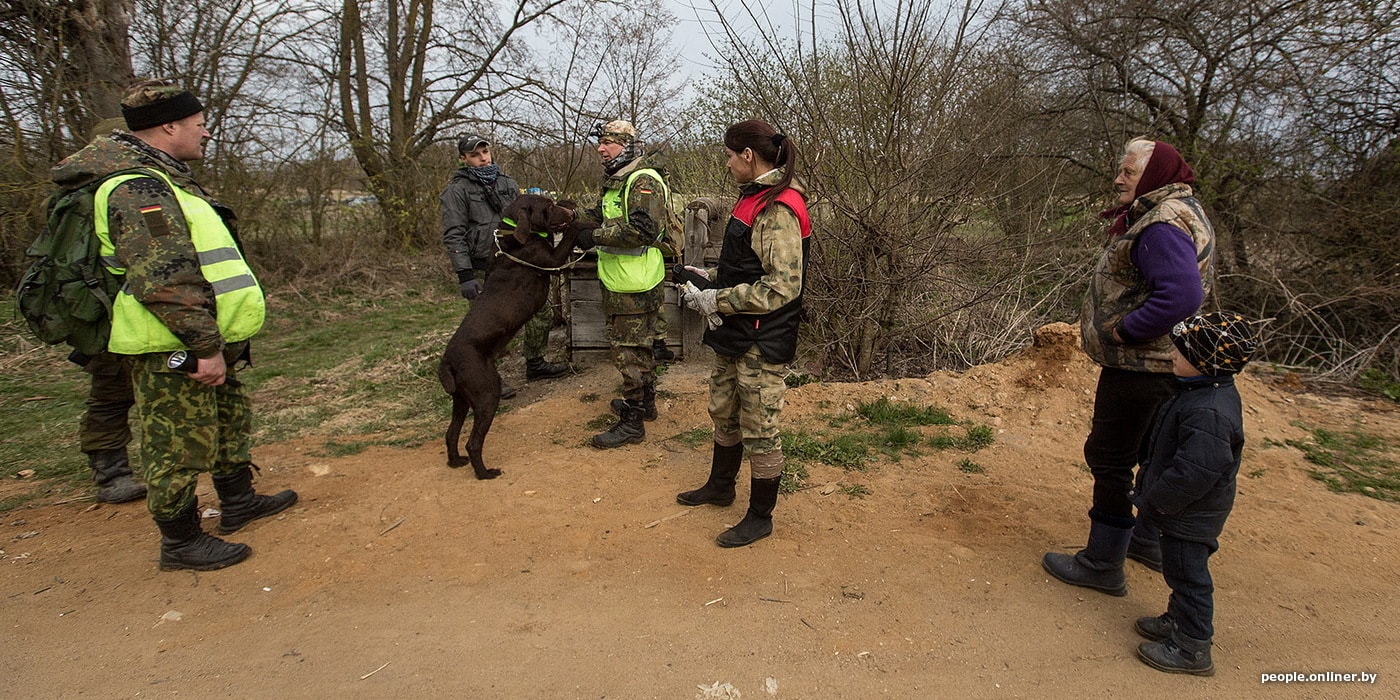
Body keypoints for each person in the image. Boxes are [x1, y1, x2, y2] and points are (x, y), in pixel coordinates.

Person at [52, 79, 297, 571]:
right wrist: (203, 344)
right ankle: (181, 541)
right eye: (200, 125)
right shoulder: (137, 187)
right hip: (171, 341)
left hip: (206, 334)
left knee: (228, 417)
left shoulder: (167, 178)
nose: (206, 134)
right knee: (177, 441)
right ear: (169, 125)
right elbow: (164, 276)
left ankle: (238, 501)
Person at [1043, 138, 1217, 594]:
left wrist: (1125, 331)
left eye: (1129, 172)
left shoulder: (1160, 226)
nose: (1118, 179)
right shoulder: (1183, 210)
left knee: (1110, 456)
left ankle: (1102, 563)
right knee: (1150, 454)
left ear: (1155, 174)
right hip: (1167, 364)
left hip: (1140, 366)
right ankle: (1147, 542)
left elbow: (1181, 295)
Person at [673, 119, 811, 548]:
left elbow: (783, 286)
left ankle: (759, 516)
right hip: (737, 333)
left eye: (731, 156)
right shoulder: (752, 198)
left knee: (759, 426)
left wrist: (718, 300)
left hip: (761, 338)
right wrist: (710, 277)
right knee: (723, 410)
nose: (728, 163)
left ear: (748, 156)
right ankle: (720, 486)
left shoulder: (779, 207)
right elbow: (747, 268)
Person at [1133, 311, 1256, 676]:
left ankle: (1192, 647)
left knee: (1189, 575)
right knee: (1178, 569)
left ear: (1206, 361)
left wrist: (1158, 503)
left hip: (1189, 513)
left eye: (1181, 351)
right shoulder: (1201, 392)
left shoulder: (1209, 411)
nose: (1172, 354)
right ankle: (1177, 620)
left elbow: (1196, 472)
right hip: (1184, 510)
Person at [571, 120, 674, 448]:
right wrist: (570, 218)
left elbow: (641, 231)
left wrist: (591, 236)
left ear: (626, 145)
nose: (600, 148)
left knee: (627, 354)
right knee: (637, 349)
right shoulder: (618, 179)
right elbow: (605, 214)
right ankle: (645, 406)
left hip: (636, 284)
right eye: (599, 142)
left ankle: (632, 423)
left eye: (607, 143)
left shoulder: (643, 180)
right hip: (621, 282)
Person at [440, 134, 571, 394]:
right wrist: (465, 274)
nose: (482, 158)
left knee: (539, 311)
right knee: (489, 326)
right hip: (482, 263)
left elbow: (529, 219)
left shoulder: (507, 183)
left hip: (517, 260)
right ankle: (486, 376)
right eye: (475, 154)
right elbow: (454, 234)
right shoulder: (456, 191)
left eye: (485, 151)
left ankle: (535, 362)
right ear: (463, 158)